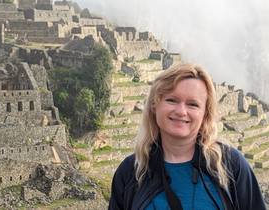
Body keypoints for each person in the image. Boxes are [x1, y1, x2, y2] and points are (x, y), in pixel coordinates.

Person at [108, 63, 266, 210]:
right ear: (155, 106)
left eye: (193, 104)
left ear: (205, 114)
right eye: (171, 100)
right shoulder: (130, 172)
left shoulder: (231, 166)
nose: (181, 111)